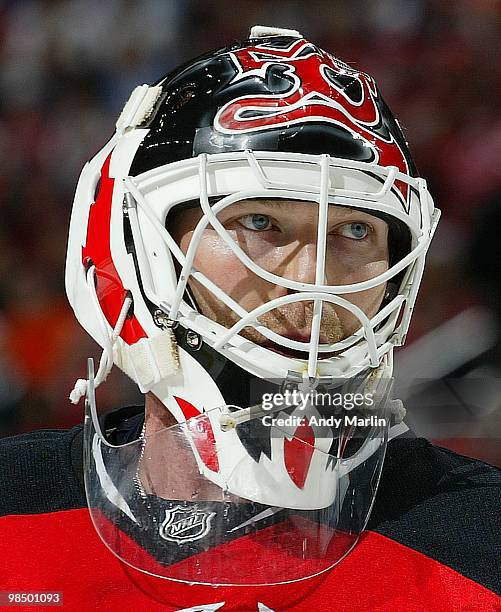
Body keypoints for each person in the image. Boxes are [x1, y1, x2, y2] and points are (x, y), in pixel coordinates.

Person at [1, 25, 499, 611]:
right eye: (260, 222)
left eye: (355, 229)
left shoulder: (478, 541)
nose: (311, 274)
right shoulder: (14, 503)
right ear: (142, 244)